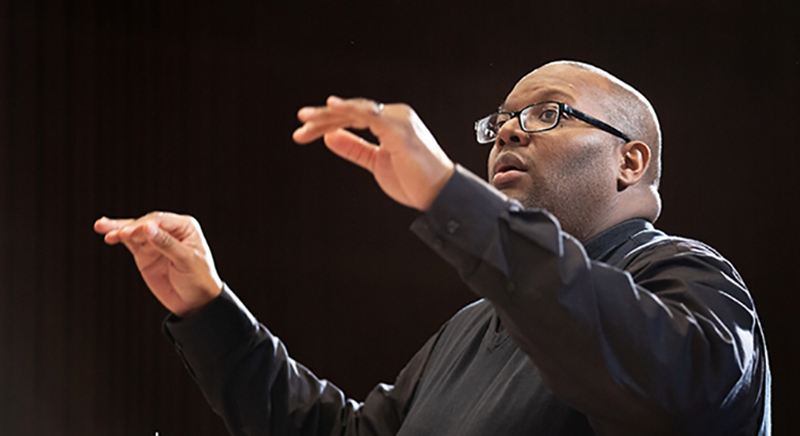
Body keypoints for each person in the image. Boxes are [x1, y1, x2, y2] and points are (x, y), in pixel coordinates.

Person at [94, 61, 771, 435]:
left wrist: (450, 195)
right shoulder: (473, 329)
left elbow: (676, 391)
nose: (509, 133)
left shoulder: (687, 277)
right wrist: (211, 312)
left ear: (631, 161)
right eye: (501, 122)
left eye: (546, 114)